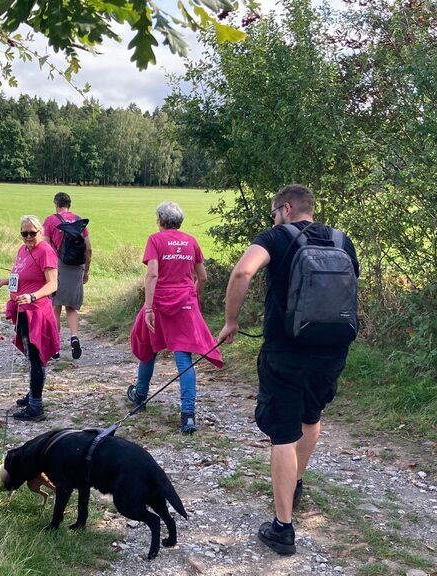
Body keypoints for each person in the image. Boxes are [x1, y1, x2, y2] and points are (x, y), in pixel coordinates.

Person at [217, 184, 359, 555]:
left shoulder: (276, 237)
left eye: (274, 213)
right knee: (311, 417)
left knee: (283, 432)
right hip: (332, 349)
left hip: (286, 351)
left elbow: (242, 273)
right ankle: (295, 483)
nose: (273, 219)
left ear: (286, 208)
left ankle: (282, 528)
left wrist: (231, 321)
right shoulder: (342, 242)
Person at [126, 201, 222, 434]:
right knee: (183, 357)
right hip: (185, 304)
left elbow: (152, 275)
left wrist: (149, 308)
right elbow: (203, 277)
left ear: (160, 220)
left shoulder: (155, 240)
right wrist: (192, 296)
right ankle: (188, 416)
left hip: (159, 303)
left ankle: (140, 395)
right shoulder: (191, 241)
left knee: (148, 347)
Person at [0, 215, 60, 422]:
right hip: (22, 310)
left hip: (36, 311)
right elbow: (18, 277)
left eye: (32, 233)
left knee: (35, 357)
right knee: (29, 355)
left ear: (40, 232)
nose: (28, 237)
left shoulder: (45, 251)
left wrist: (32, 296)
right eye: (24, 233)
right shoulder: (23, 250)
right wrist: (2, 282)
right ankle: (33, 393)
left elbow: (53, 284)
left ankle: (36, 406)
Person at [43, 192, 92, 360]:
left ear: (56, 204)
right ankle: (74, 337)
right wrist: (86, 271)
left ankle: (55, 347)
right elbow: (88, 248)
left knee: (55, 305)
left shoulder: (51, 220)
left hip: (58, 266)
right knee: (72, 307)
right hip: (77, 267)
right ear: (69, 205)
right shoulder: (79, 221)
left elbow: (45, 246)